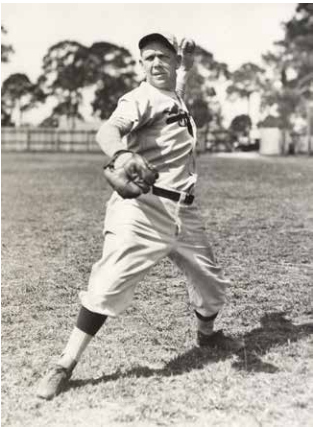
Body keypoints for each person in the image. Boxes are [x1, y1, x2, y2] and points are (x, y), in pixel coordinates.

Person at [37, 32, 244, 400]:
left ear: (174, 61)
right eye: (148, 58)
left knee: (211, 285)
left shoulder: (173, 90)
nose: (155, 64)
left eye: (163, 57)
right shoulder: (139, 97)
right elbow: (108, 128)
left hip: (184, 211)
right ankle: (64, 364)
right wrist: (119, 154)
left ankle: (207, 337)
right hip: (142, 208)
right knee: (106, 285)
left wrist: (187, 62)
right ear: (141, 65)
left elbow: (179, 79)